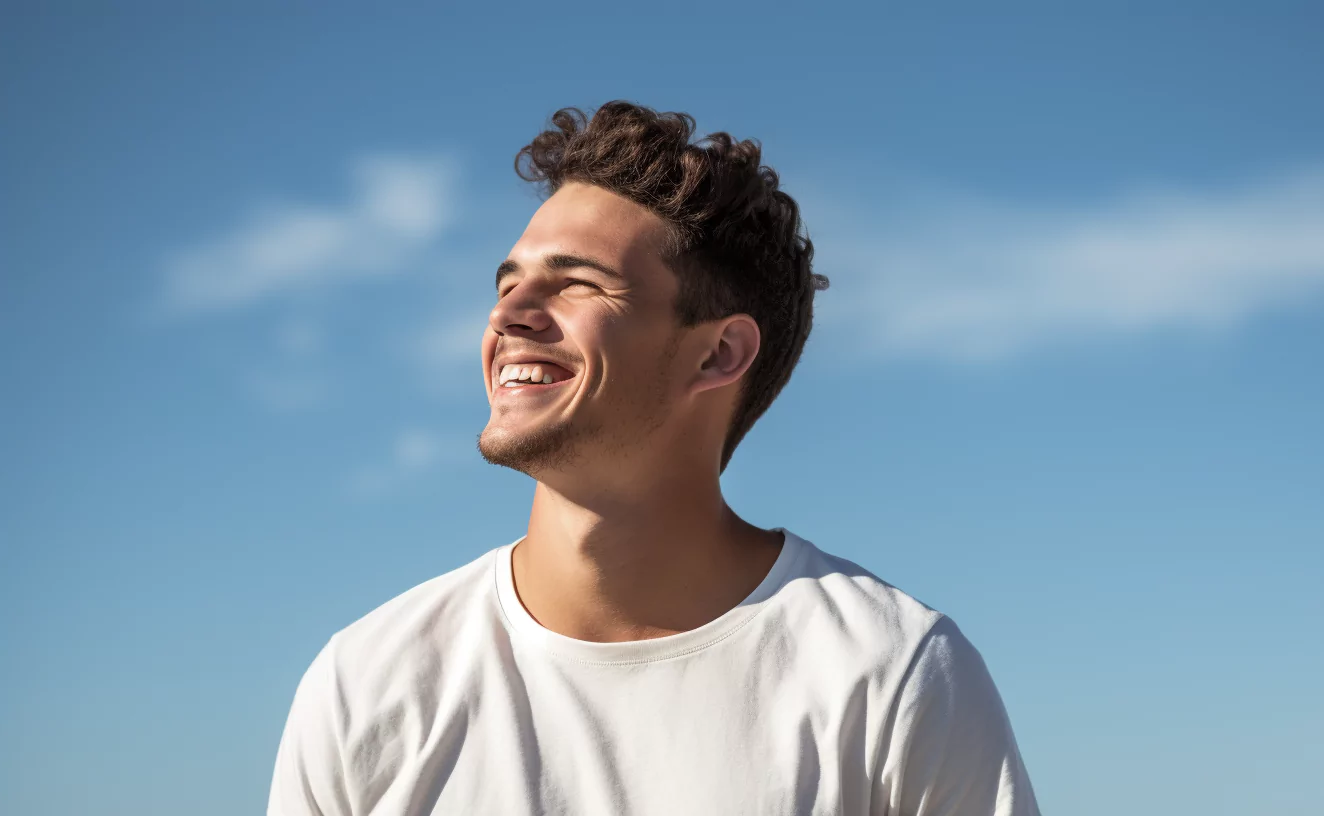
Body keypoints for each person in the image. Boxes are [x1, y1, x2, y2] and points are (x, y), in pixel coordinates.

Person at [268, 100, 1040, 816]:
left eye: (575, 284)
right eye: (507, 284)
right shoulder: (368, 683)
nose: (507, 315)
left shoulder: (892, 675)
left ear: (718, 354)